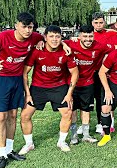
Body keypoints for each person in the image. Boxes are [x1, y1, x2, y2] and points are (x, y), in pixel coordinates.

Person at [0, 12, 43, 168]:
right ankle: (1, 154)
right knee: (1, 116)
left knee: (13, 115)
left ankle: (9, 151)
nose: (27, 30)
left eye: (30, 27)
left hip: (17, 79)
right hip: (0, 78)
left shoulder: (34, 37)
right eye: (24, 26)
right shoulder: (3, 37)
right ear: (16, 25)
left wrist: (45, 43)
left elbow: (47, 38)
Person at [19, 25, 79, 155]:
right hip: (38, 88)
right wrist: (27, 94)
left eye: (58, 36)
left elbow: (75, 73)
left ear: (61, 38)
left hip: (58, 87)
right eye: (51, 36)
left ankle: (61, 141)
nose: (54, 39)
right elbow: (24, 73)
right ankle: (29, 144)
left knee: (67, 113)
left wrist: (69, 94)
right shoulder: (36, 50)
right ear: (45, 37)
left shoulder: (66, 51)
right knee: (25, 115)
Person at [63, 25, 114, 145]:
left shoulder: (99, 46)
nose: (88, 39)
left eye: (90, 36)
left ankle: (86, 134)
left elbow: (115, 49)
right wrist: (64, 44)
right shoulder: (71, 43)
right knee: (73, 109)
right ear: (79, 36)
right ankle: (74, 135)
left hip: (88, 83)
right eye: (85, 36)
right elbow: (54, 40)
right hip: (72, 83)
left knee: (86, 109)